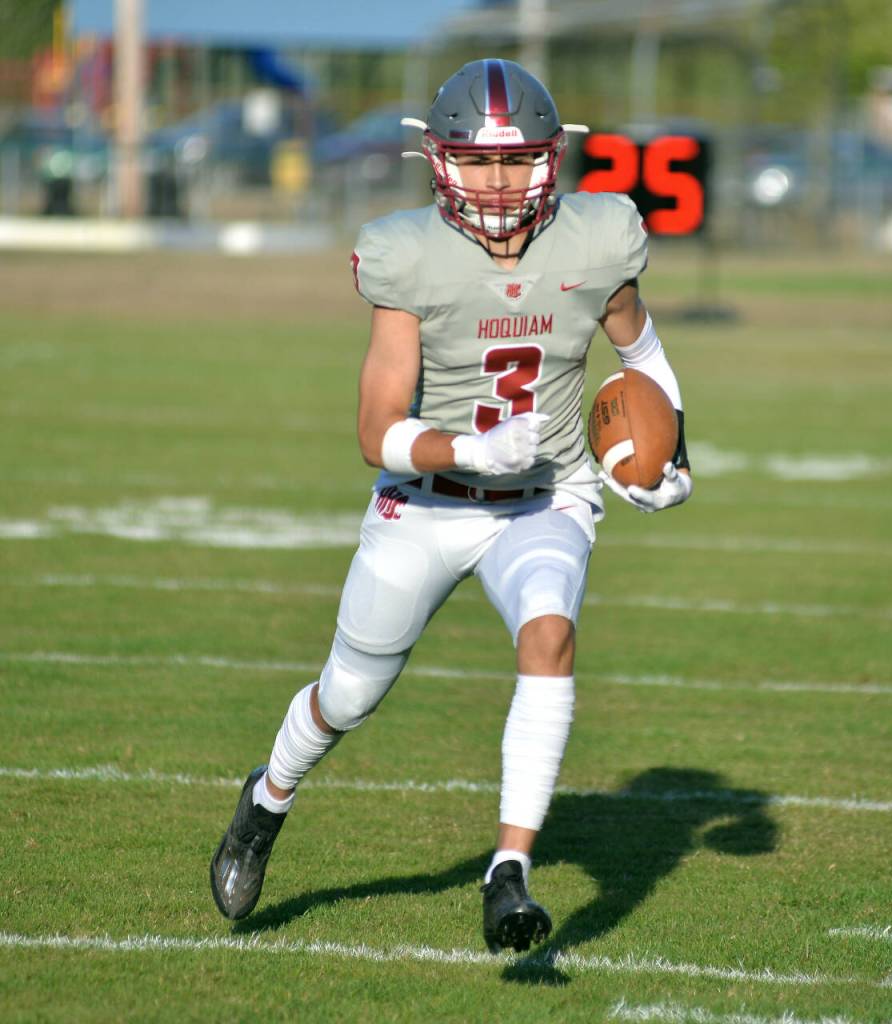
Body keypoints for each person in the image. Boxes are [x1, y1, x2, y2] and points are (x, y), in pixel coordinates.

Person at [210, 58, 692, 954]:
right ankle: (267, 799)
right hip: (427, 499)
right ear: (439, 162)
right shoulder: (409, 255)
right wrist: (468, 447)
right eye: (477, 161)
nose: (498, 183)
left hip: (547, 494)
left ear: (552, 160)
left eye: (515, 163)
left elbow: (644, 355)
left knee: (548, 635)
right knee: (348, 695)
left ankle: (507, 873)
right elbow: (376, 430)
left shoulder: (597, 239)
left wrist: (670, 459)